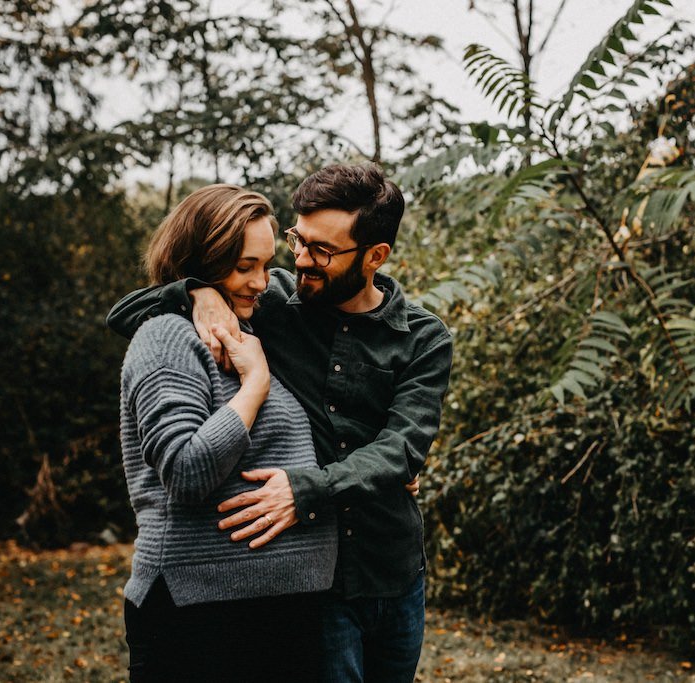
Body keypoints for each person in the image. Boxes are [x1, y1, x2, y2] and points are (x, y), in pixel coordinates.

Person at [109, 163, 453, 682]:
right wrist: (196, 292)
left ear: (375, 256)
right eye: (299, 239)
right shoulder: (273, 302)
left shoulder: (424, 338)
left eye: (323, 251)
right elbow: (128, 313)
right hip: (315, 585)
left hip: (393, 568)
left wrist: (307, 488)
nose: (301, 261)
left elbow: (402, 449)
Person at [117, 184, 338, 682]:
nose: (262, 282)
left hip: (281, 612)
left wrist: (383, 461)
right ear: (200, 260)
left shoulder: (258, 328)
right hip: (204, 615)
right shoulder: (167, 337)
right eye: (244, 267)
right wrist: (255, 383)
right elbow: (186, 470)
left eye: (266, 264)